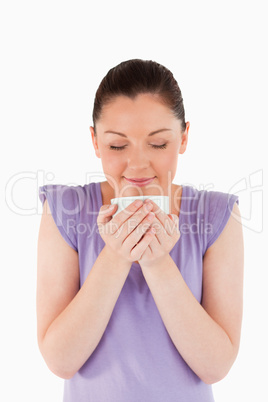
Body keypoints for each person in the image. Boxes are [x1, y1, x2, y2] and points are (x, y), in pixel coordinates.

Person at [37, 59, 244, 402]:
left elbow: (216, 366)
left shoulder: (217, 215)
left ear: (183, 137)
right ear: (95, 141)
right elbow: (61, 360)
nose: (137, 164)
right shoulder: (65, 209)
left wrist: (159, 262)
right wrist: (117, 255)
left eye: (158, 144)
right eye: (117, 146)